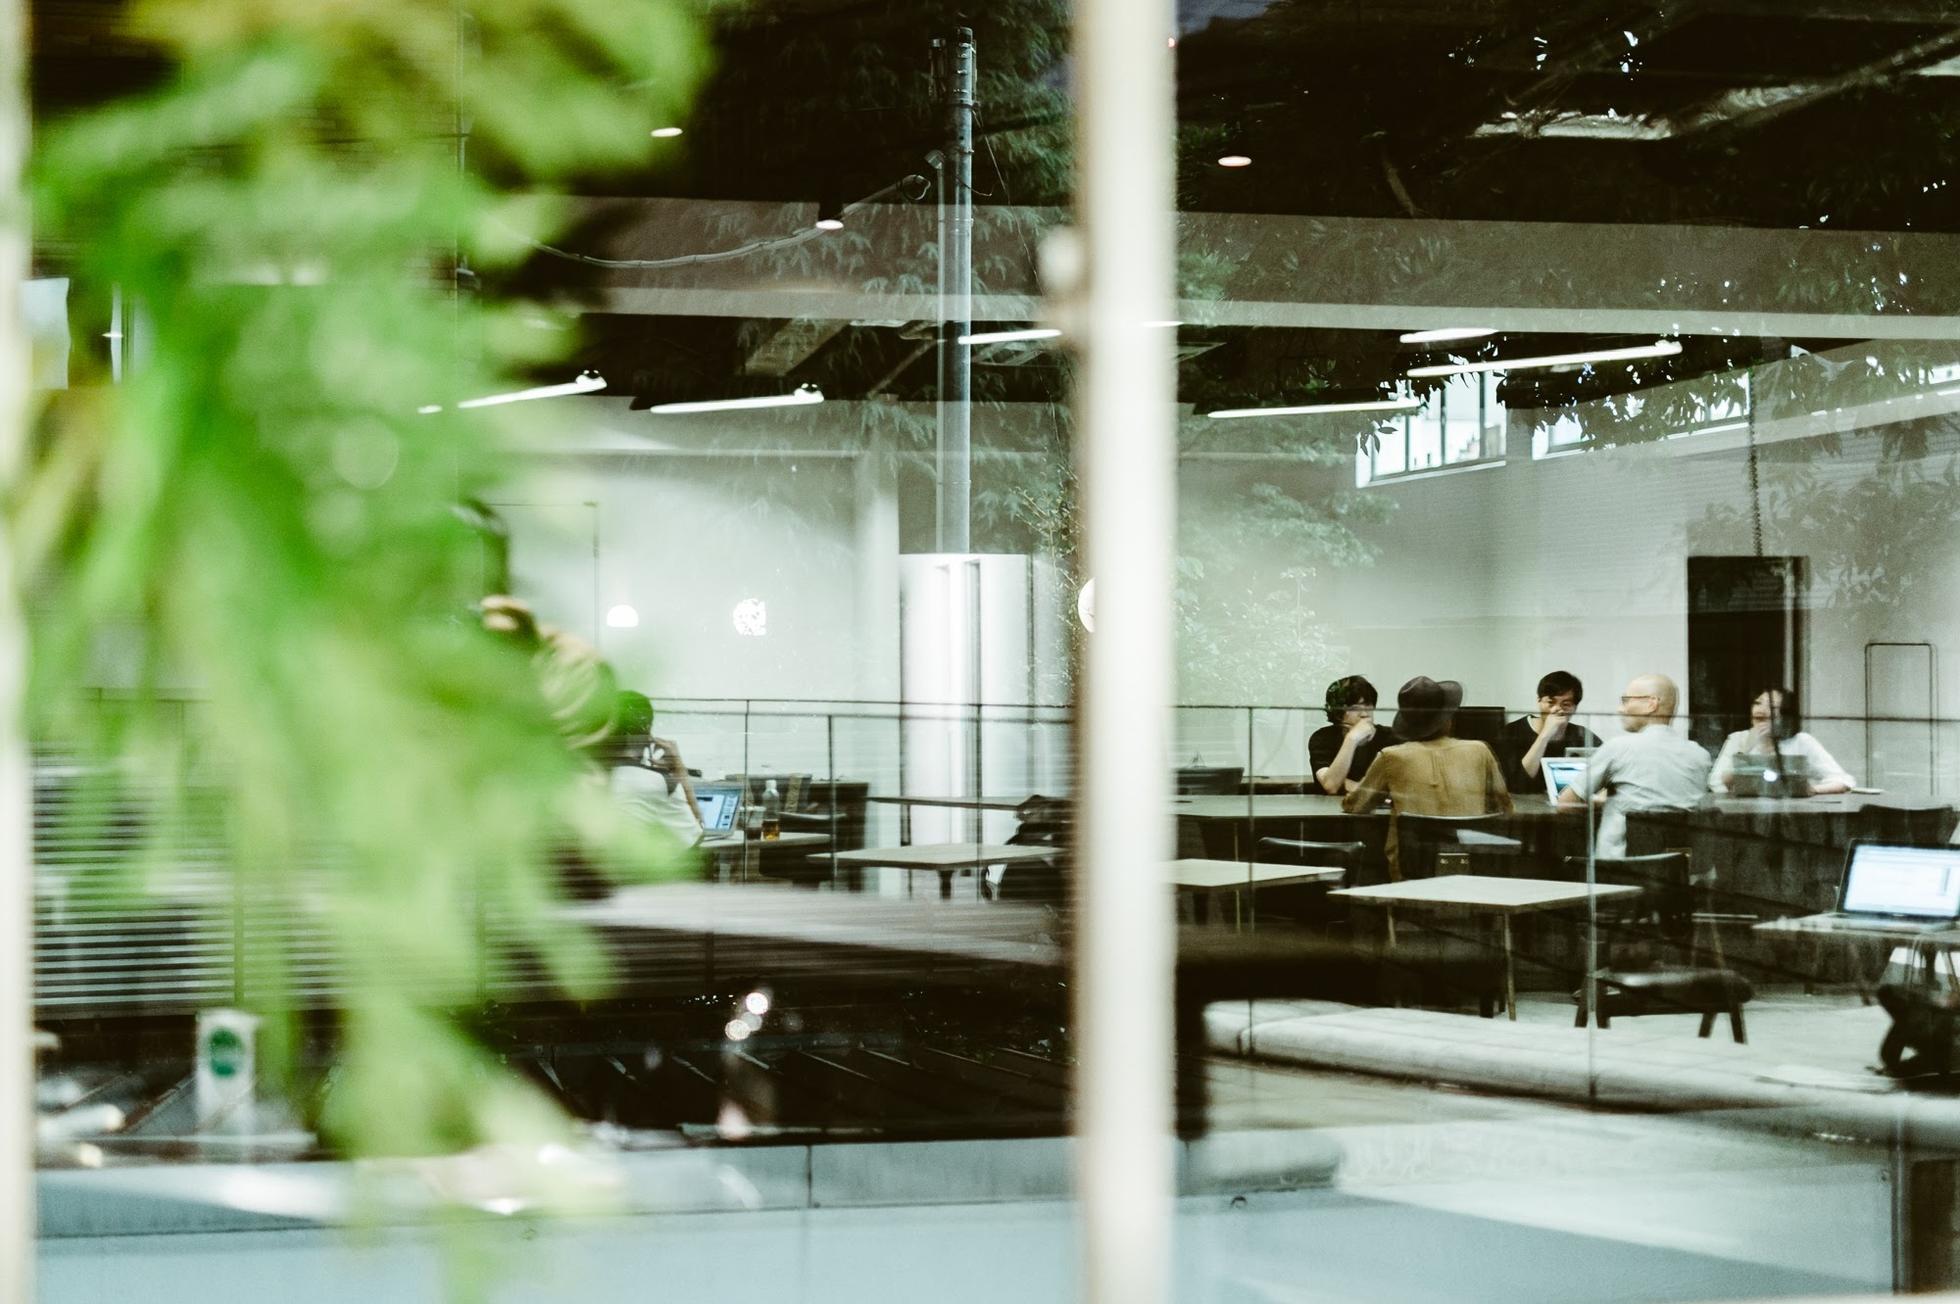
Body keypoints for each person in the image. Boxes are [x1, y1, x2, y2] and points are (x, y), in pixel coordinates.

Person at [1342, 676, 1512, 879]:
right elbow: (1505, 808)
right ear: (1447, 718)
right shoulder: (1480, 750)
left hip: (1412, 875)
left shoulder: (1391, 757)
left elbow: (1356, 806)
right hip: (1475, 873)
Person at [1559, 673, 1711, 859]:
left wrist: (1604, 805)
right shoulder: (1700, 755)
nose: (1620, 709)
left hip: (1622, 870)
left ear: (1651, 704)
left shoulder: (1618, 748)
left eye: (1626, 700)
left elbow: (1566, 804)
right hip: (1679, 868)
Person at [596, 690, 704, 847]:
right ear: (647, 730)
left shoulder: (586, 777)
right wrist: (679, 769)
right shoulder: (657, 781)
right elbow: (696, 837)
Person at [1709, 686, 1853, 794]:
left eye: (1771, 707)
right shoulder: (1737, 739)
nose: (1761, 709)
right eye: (1757, 703)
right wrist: (1743, 752)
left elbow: (1844, 780)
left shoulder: (1802, 741)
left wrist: (1813, 790)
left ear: (1785, 716)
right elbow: (1715, 783)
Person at [1498, 670, 1603, 794]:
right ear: (1539, 701)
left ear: (1575, 708)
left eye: (1566, 704)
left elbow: (1605, 774)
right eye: (1550, 702)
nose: (1556, 709)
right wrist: (1545, 735)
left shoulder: (1582, 735)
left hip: (1568, 803)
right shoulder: (1512, 732)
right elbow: (1517, 784)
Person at [1310, 675, 1399, 795]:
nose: (1364, 714)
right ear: (1339, 713)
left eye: (1368, 706)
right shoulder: (1322, 738)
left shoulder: (1390, 736)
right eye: (1355, 708)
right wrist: (1352, 739)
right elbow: (1331, 785)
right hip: (1332, 806)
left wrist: (1353, 786)